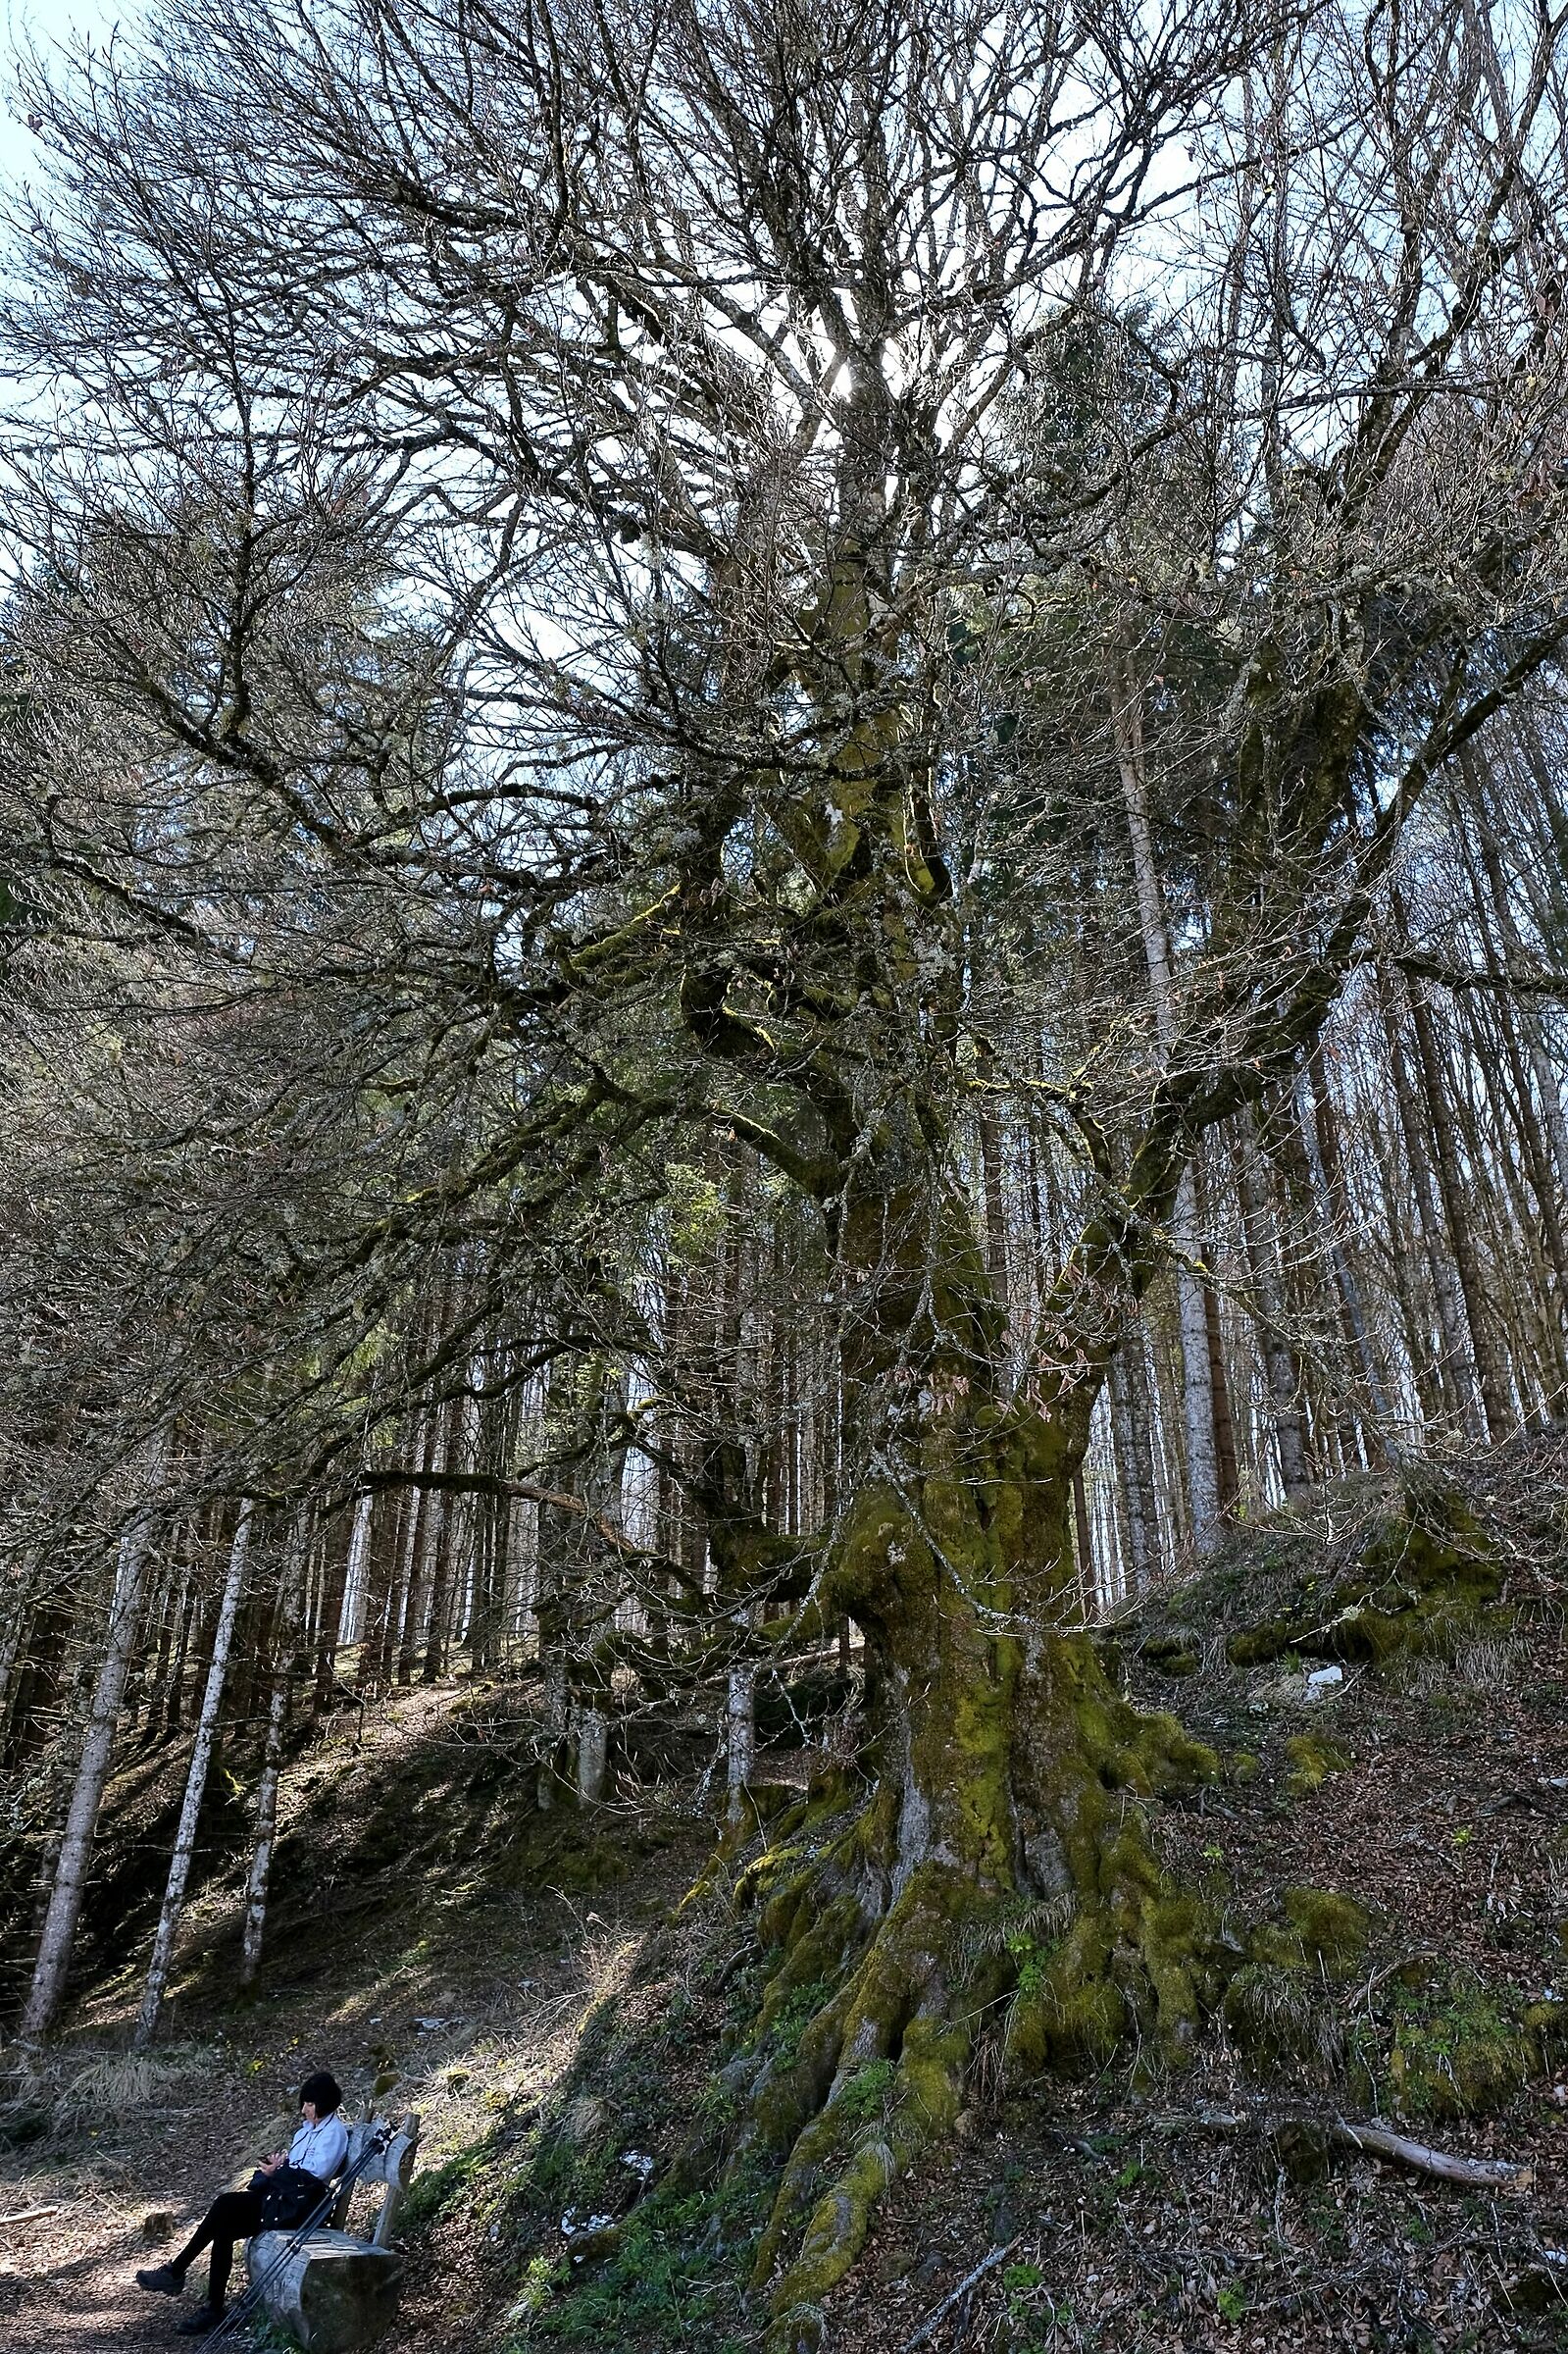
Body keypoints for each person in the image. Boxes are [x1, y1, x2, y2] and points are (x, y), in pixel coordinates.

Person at [134, 2068, 350, 2335]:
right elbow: (297, 2168)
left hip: (299, 2208)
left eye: (309, 2103)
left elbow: (314, 2177)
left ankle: (178, 2273)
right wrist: (278, 2164)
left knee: (225, 2205)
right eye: (304, 2103)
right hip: (281, 2199)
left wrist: (278, 2171)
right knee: (223, 2226)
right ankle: (211, 2305)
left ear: (324, 2103)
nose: (304, 2109)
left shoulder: (334, 2134)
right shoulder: (306, 2131)